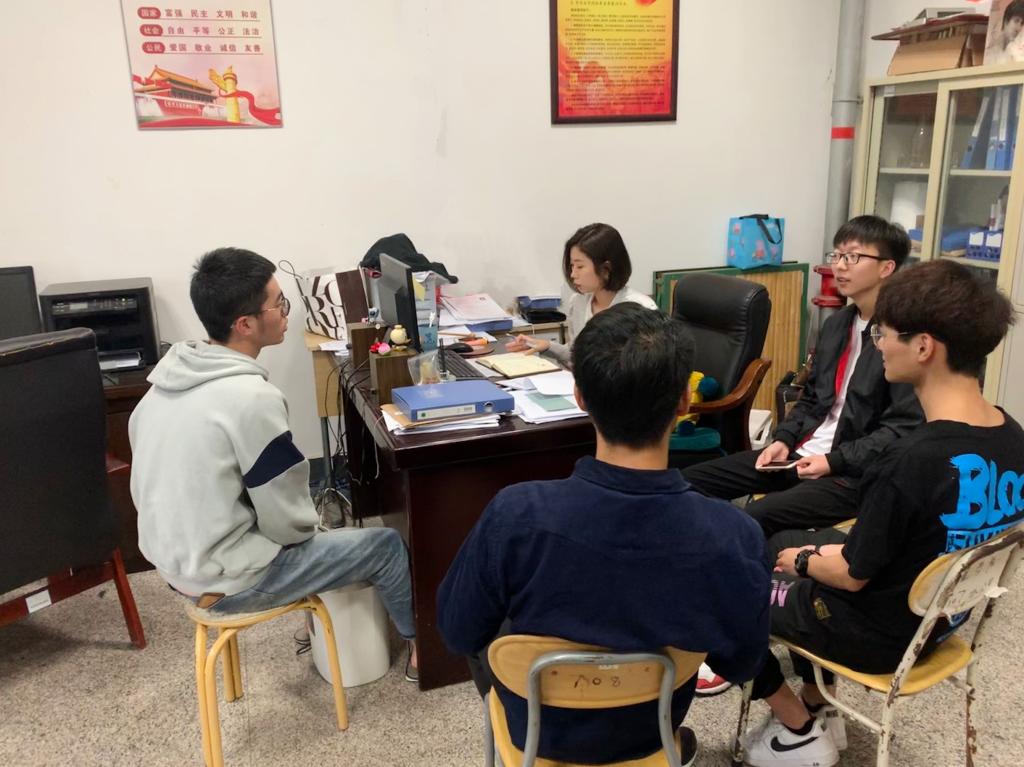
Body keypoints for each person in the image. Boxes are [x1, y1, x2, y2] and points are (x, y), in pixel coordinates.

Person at [437, 303, 770, 765]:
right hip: (650, 739)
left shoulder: (515, 516)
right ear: (684, 402)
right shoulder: (734, 535)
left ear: (579, 397)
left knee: (488, 611)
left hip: (536, 739)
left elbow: (457, 632)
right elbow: (743, 662)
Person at [740, 259, 1023, 767]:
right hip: (940, 621)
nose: (879, 345)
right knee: (788, 537)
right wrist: (807, 551)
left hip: (876, 635)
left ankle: (798, 729)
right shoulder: (1011, 434)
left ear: (923, 347)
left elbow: (850, 576)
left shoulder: (910, 460)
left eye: (882, 334)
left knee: (725, 584)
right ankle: (817, 699)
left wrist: (804, 562)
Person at [129, 247, 418, 675]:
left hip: (175, 567)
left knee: (313, 529)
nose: (286, 313)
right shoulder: (250, 400)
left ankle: (314, 619)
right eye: (279, 304)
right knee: (385, 545)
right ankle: (424, 651)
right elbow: (289, 524)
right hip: (227, 580)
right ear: (244, 324)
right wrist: (313, 534)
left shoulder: (159, 390)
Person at [682, 215, 923, 539]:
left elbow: (900, 429)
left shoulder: (901, 337)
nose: (840, 266)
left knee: (751, 519)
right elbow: (810, 397)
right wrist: (782, 440)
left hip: (850, 473)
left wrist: (834, 460)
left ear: (887, 268)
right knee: (686, 483)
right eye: (836, 255)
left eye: (852, 256)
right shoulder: (837, 325)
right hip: (799, 455)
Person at [505, 222, 657, 364]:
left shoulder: (640, 309)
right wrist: (546, 346)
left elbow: (649, 369)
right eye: (572, 266)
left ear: (606, 269)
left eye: (579, 267)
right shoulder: (579, 302)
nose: (573, 274)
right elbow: (577, 356)